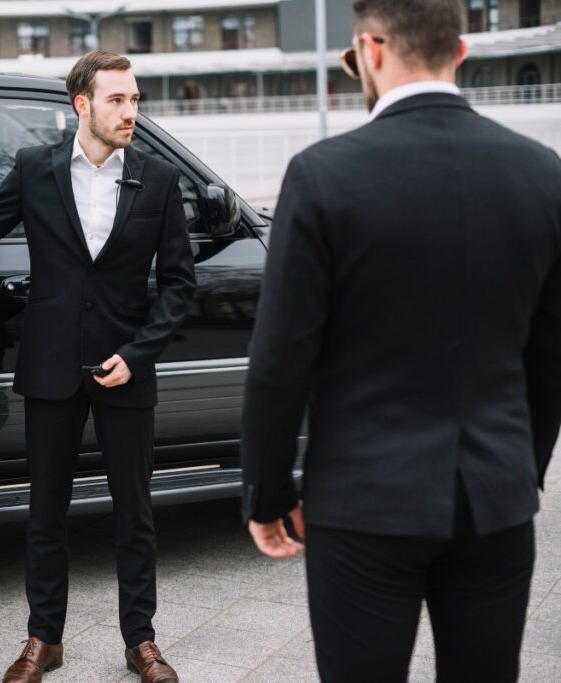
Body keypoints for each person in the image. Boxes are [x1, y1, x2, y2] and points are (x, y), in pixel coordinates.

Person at [239, 0, 561, 680]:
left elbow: (279, 362)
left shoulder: (323, 173)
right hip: (495, 501)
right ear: (461, 52)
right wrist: (517, 471)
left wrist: (267, 494)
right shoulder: (542, 172)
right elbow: (550, 353)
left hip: (363, 500)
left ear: (371, 49)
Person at [0, 51, 195, 683]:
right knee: (46, 512)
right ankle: (44, 639)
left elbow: (180, 284)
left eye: (135, 99)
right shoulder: (34, 167)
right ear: (82, 105)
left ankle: (142, 641)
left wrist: (137, 354)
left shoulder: (157, 178)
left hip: (126, 367)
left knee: (135, 514)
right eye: (117, 100)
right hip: (50, 366)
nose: (131, 111)